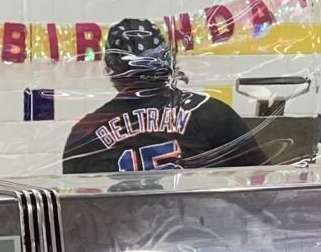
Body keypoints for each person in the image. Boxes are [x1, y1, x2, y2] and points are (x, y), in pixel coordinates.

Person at [62, 17, 265, 174]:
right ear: (167, 62)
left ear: (112, 69)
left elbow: (76, 211)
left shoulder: (85, 133)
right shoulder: (212, 113)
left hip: (125, 226)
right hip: (203, 224)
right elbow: (261, 182)